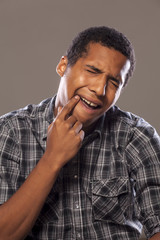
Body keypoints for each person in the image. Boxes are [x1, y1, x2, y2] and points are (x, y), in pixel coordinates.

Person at [0, 26, 159, 240]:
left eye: (114, 82)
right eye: (93, 71)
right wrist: (52, 159)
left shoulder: (136, 137)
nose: (100, 90)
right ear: (63, 66)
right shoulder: (11, 132)